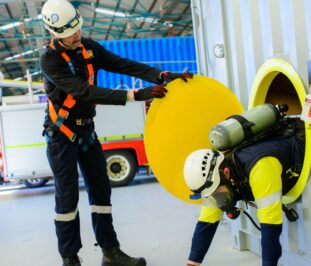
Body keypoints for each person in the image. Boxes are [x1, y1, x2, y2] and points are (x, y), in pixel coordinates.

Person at [39, 0, 193, 265]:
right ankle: (70, 258)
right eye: (68, 33)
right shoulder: (49, 60)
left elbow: (123, 65)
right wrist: (137, 95)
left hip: (86, 132)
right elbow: (83, 91)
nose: (76, 35)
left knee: (102, 193)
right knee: (67, 199)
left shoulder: (89, 47)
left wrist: (161, 76)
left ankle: (110, 252)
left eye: (77, 29)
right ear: (53, 32)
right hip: (61, 136)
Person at [183, 116, 305, 266]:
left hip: (302, 150)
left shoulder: (260, 169)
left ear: (226, 172)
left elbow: (270, 227)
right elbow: (205, 224)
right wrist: (192, 263)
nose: (217, 198)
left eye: (215, 193)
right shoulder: (214, 181)